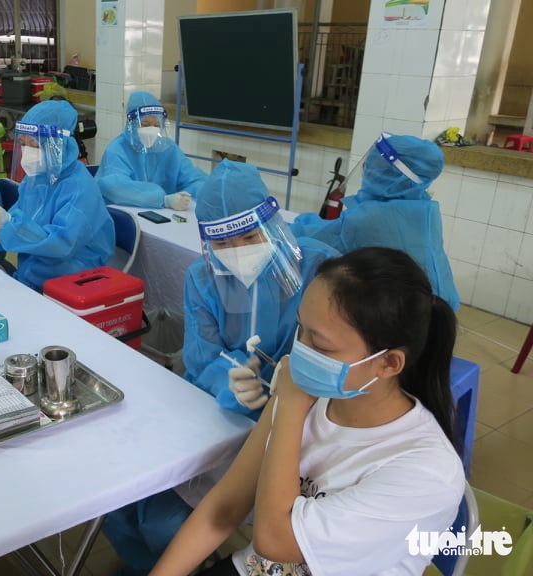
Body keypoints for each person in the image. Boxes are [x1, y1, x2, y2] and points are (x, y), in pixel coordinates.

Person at [149, 247, 464, 576]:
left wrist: (291, 406)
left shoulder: (426, 473)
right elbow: (226, 505)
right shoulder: (308, 392)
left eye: (320, 345)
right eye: (301, 330)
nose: (299, 352)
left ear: (387, 363)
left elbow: (276, 541)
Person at [102, 160, 337, 575]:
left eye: (249, 236)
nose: (239, 252)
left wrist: (288, 382)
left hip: (291, 422)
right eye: (224, 244)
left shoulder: (317, 266)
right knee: (121, 496)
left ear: (272, 220)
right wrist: (230, 380)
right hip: (215, 406)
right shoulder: (203, 276)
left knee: (168, 523)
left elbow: (338, 349)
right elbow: (200, 355)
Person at [292, 133, 460, 310]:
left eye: (371, 168)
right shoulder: (425, 210)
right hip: (435, 314)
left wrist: (293, 221)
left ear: (389, 177)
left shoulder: (369, 219)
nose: (366, 171)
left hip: (396, 319)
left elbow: (314, 238)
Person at [0, 100, 114, 292]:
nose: (27, 152)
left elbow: (60, 244)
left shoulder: (79, 188)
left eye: (35, 145)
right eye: (23, 144)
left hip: (70, 285)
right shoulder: (35, 181)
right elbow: (18, 218)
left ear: (59, 146)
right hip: (31, 278)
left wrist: (6, 223)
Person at [96, 91, 206, 210]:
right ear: (131, 124)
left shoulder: (169, 149)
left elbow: (193, 178)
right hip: (123, 216)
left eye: (156, 125)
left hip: (164, 217)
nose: (152, 130)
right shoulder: (117, 149)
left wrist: (200, 193)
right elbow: (114, 186)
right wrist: (163, 200)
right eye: (145, 124)